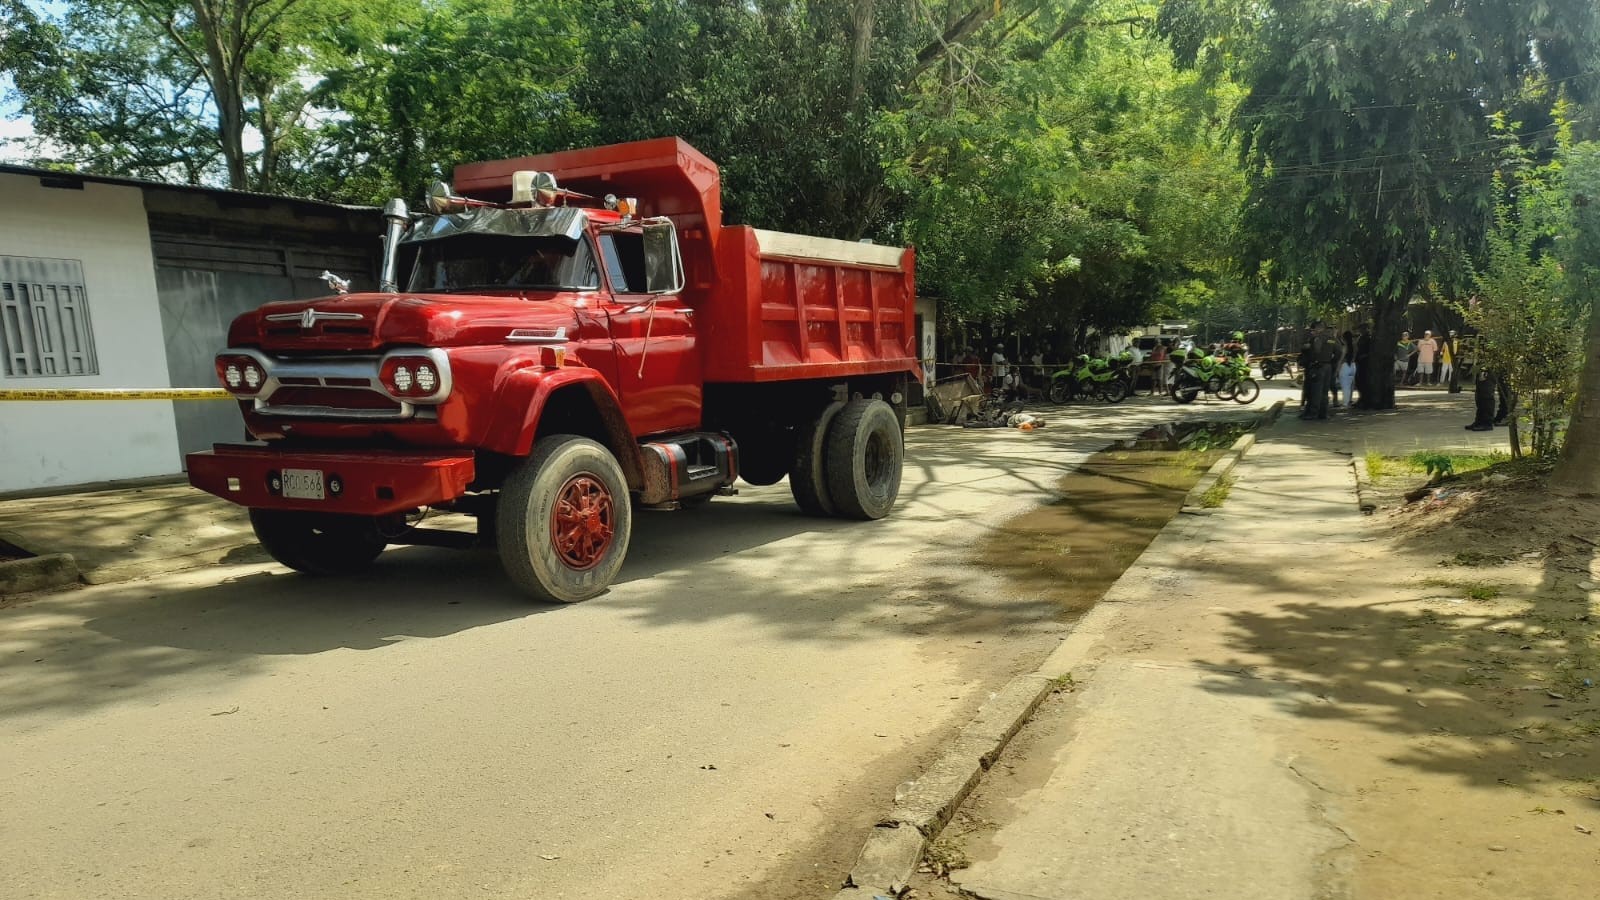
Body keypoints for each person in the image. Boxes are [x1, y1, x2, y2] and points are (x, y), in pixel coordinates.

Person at [1300, 321, 1340, 420]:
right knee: (1324, 392)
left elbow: (1316, 351)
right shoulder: (1331, 339)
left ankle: (1313, 413)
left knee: (1315, 391)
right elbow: (1339, 351)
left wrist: (1312, 356)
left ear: (1318, 328)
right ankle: (1323, 413)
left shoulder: (1317, 339)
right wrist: (1332, 362)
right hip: (1328, 366)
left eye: (1314, 329)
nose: (1312, 331)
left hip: (1317, 367)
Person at [1354, 322, 1373, 407]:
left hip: (1365, 362)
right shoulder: (1360, 338)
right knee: (1358, 382)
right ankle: (1361, 398)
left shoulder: (1369, 338)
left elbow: (1371, 350)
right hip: (1359, 361)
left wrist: (1365, 356)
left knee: (1364, 382)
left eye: (1362, 329)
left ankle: (1365, 400)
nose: (1360, 331)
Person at [1337, 330, 1357, 409]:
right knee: (1350, 385)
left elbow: (1341, 358)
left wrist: (1337, 369)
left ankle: (1345, 403)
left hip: (1345, 366)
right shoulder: (1354, 346)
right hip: (1353, 365)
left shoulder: (1345, 347)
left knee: (1345, 386)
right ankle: (1349, 401)